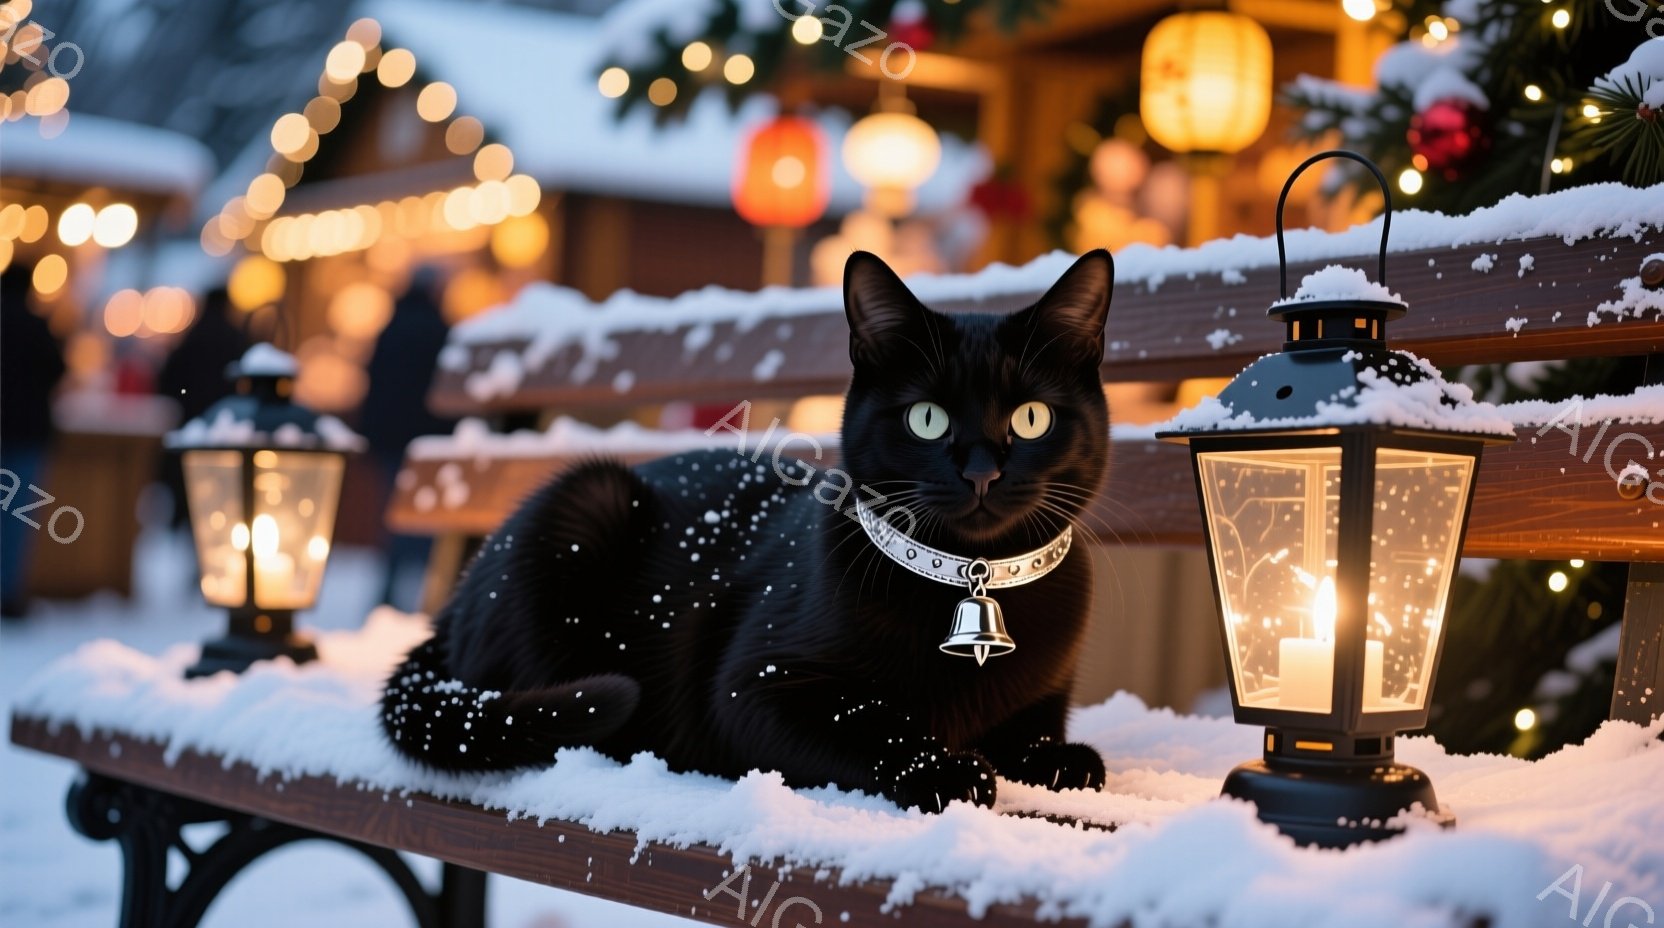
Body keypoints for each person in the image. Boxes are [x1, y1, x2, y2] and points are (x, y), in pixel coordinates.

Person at [362, 267, 456, 609]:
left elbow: (372, 381)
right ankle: (424, 597)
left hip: (391, 438)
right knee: (426, 516)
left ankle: (388, 595)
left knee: (397, 513)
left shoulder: (390, 327)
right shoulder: (441, 330)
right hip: (431, 440)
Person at [1, 262, 67, 618]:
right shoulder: (36, 325)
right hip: (27, 432)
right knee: (17, 515)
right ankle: (9, 594)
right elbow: (58, 369)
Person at [157, 287, 249, 528]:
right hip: (227, 428)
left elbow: (168, 380)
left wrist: (185, 400)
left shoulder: (193, 336)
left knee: (190, 486)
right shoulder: (236, 338)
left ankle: (188, 531)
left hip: (193, 425)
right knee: (221, 491)